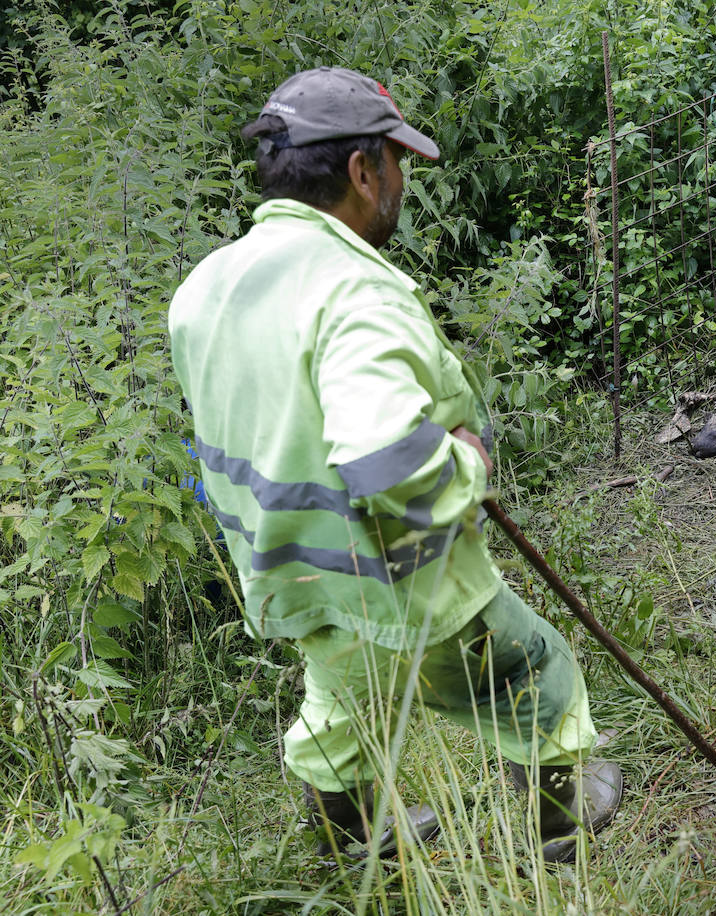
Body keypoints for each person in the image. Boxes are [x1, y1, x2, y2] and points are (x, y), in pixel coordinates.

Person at [168, 66, 622, 863]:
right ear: (361, 170)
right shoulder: (351, 291)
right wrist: (467, 462)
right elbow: (382, 460)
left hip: (291, 572)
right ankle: (562, 826)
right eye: (398, 162)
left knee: (339, 705)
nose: (402, 182)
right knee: (534, 673)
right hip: (401, 573)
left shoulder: (205, 288)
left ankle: (360, 844)